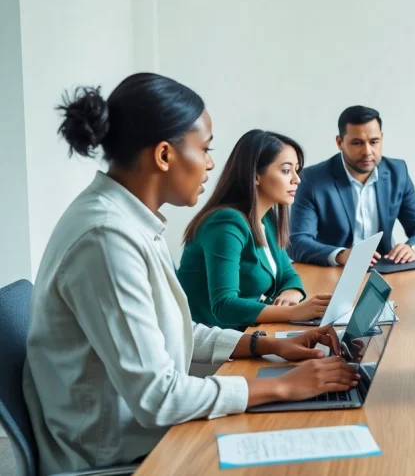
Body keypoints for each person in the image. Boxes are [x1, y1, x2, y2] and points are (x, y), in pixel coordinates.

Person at [23, 73, 359, 474]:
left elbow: (177, 330)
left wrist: (268, 346)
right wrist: (284, 385)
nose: (211, 163)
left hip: (144, 434)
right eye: (205, 148)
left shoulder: (129, 223)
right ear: (164, 155)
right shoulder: (106, 238)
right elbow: (158, 398)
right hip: (119, 455)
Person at [178, 129, 332, 330]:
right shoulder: (226, 224)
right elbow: (224, 306)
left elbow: (287, 274)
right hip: (210, 344)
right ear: (256, 175)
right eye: (286, 171)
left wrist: (291, 293)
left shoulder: (266, 218)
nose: (297, 179)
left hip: (247, 332)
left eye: (297, 169)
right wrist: (294, 312)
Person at [288, 105, 415, 266]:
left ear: (382, 138)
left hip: (384, 270)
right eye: (357, 143)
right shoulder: (312, 180)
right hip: (333, 270)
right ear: (340, 142)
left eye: (374, 142)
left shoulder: (397, 172)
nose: (367, 151)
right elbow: (297, 241)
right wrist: (341, 255)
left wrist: (413, 248)